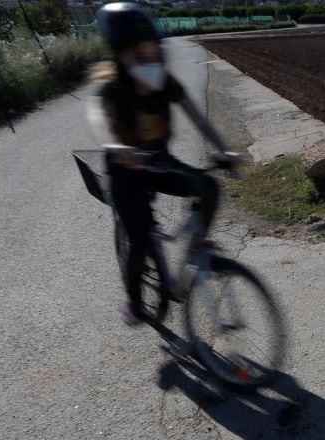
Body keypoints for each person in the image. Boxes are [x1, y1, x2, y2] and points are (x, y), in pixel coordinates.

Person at [86, 2, 240, 325]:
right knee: (139, 238)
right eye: (139, 54)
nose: (149, 58)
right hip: (125, 173)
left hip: (158, 163)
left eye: (153, 51)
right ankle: (135, 303)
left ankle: (198, 246)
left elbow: (201, 120)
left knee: (208, 185)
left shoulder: (165, 83)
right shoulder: (111, 88)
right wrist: (115, 146)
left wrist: (225, 151)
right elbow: (99, 119)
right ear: (120, 54)